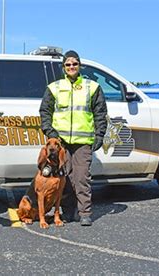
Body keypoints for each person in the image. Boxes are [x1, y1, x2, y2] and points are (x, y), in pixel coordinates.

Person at [39, 50, 108, 226]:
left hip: (82, 143)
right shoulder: (54, 87)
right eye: (68, 64)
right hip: (60, 143)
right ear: (63, 67)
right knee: (65, 177)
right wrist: (50, 132)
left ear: (79, 66)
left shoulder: (91, 87)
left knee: (82, 177)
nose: (71, 67)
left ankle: (84, 212)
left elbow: (100, 113)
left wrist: (99, 135)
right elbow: (45, 112)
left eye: (74, 64)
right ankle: (68, 211)